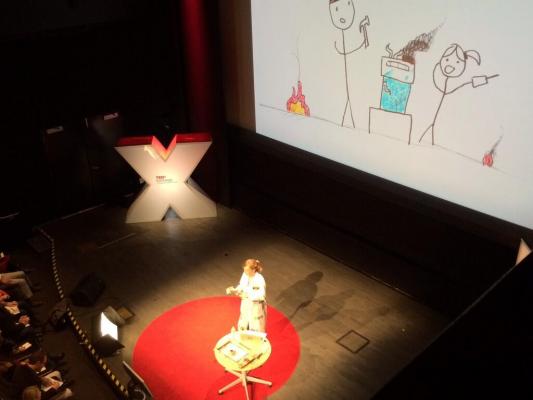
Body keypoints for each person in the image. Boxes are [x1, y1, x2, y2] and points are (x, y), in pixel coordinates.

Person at [226, 259, 267, 333]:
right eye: (245, 270)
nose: (245, 272)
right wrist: (235, 290)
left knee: (255, 327)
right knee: (243, 323)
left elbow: (261, 296)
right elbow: (242, 285)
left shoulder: (259, 280)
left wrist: (248, 295)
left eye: (247, 271)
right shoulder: (245, 274)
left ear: (254, 270)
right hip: (246, 304)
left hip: (255, 307)